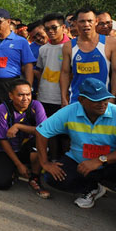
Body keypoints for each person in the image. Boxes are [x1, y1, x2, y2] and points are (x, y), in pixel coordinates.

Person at [37, 78, 116, 231]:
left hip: (111, 164)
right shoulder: (70, 111)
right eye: (96, 100)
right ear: (81, 100)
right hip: (80, 162)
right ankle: (92, 188)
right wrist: (44, 162)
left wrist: (100, 160)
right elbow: (41, 131)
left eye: (105, 99)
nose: (103, 104)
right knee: (51, 177)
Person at [0, 79, 49, 198]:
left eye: (28, 94)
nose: (25, 98)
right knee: (1, 184)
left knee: (39, 142)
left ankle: (35, 178)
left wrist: (18, 126)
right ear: (11, 95)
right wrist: (18, 165)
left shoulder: (36, 105)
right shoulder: (2, 109)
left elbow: (43, 130)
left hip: (26, 149)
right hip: (8, 151)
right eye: (20, 95)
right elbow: (2, 140)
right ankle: (15, 171)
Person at [60, 8, 116, 106]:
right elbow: (65, 73)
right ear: (75, 23)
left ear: (96, 21)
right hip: (76, 100)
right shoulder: (68, 46)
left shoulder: (111, 43)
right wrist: (63, 98)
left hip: (103, 101)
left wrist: (113, 97)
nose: (86, 24)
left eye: (90, 21)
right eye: (82, 21)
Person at [34, 13, 71, 162]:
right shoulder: (43, 49)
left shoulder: (72, 47)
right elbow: (40, 70)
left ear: (63, 27)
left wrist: (66, 96)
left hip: (64, 99)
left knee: (66, 135)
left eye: (54, 27)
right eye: (47, 28)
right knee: (49, 133)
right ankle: (54, 162)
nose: (50, 31)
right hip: (44, 97)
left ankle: (67, 164)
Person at [0, 9, 35, 101]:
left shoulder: (21, 42)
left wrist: (28, 87)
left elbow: (28, 65)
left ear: (8, 21)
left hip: (11, 84)